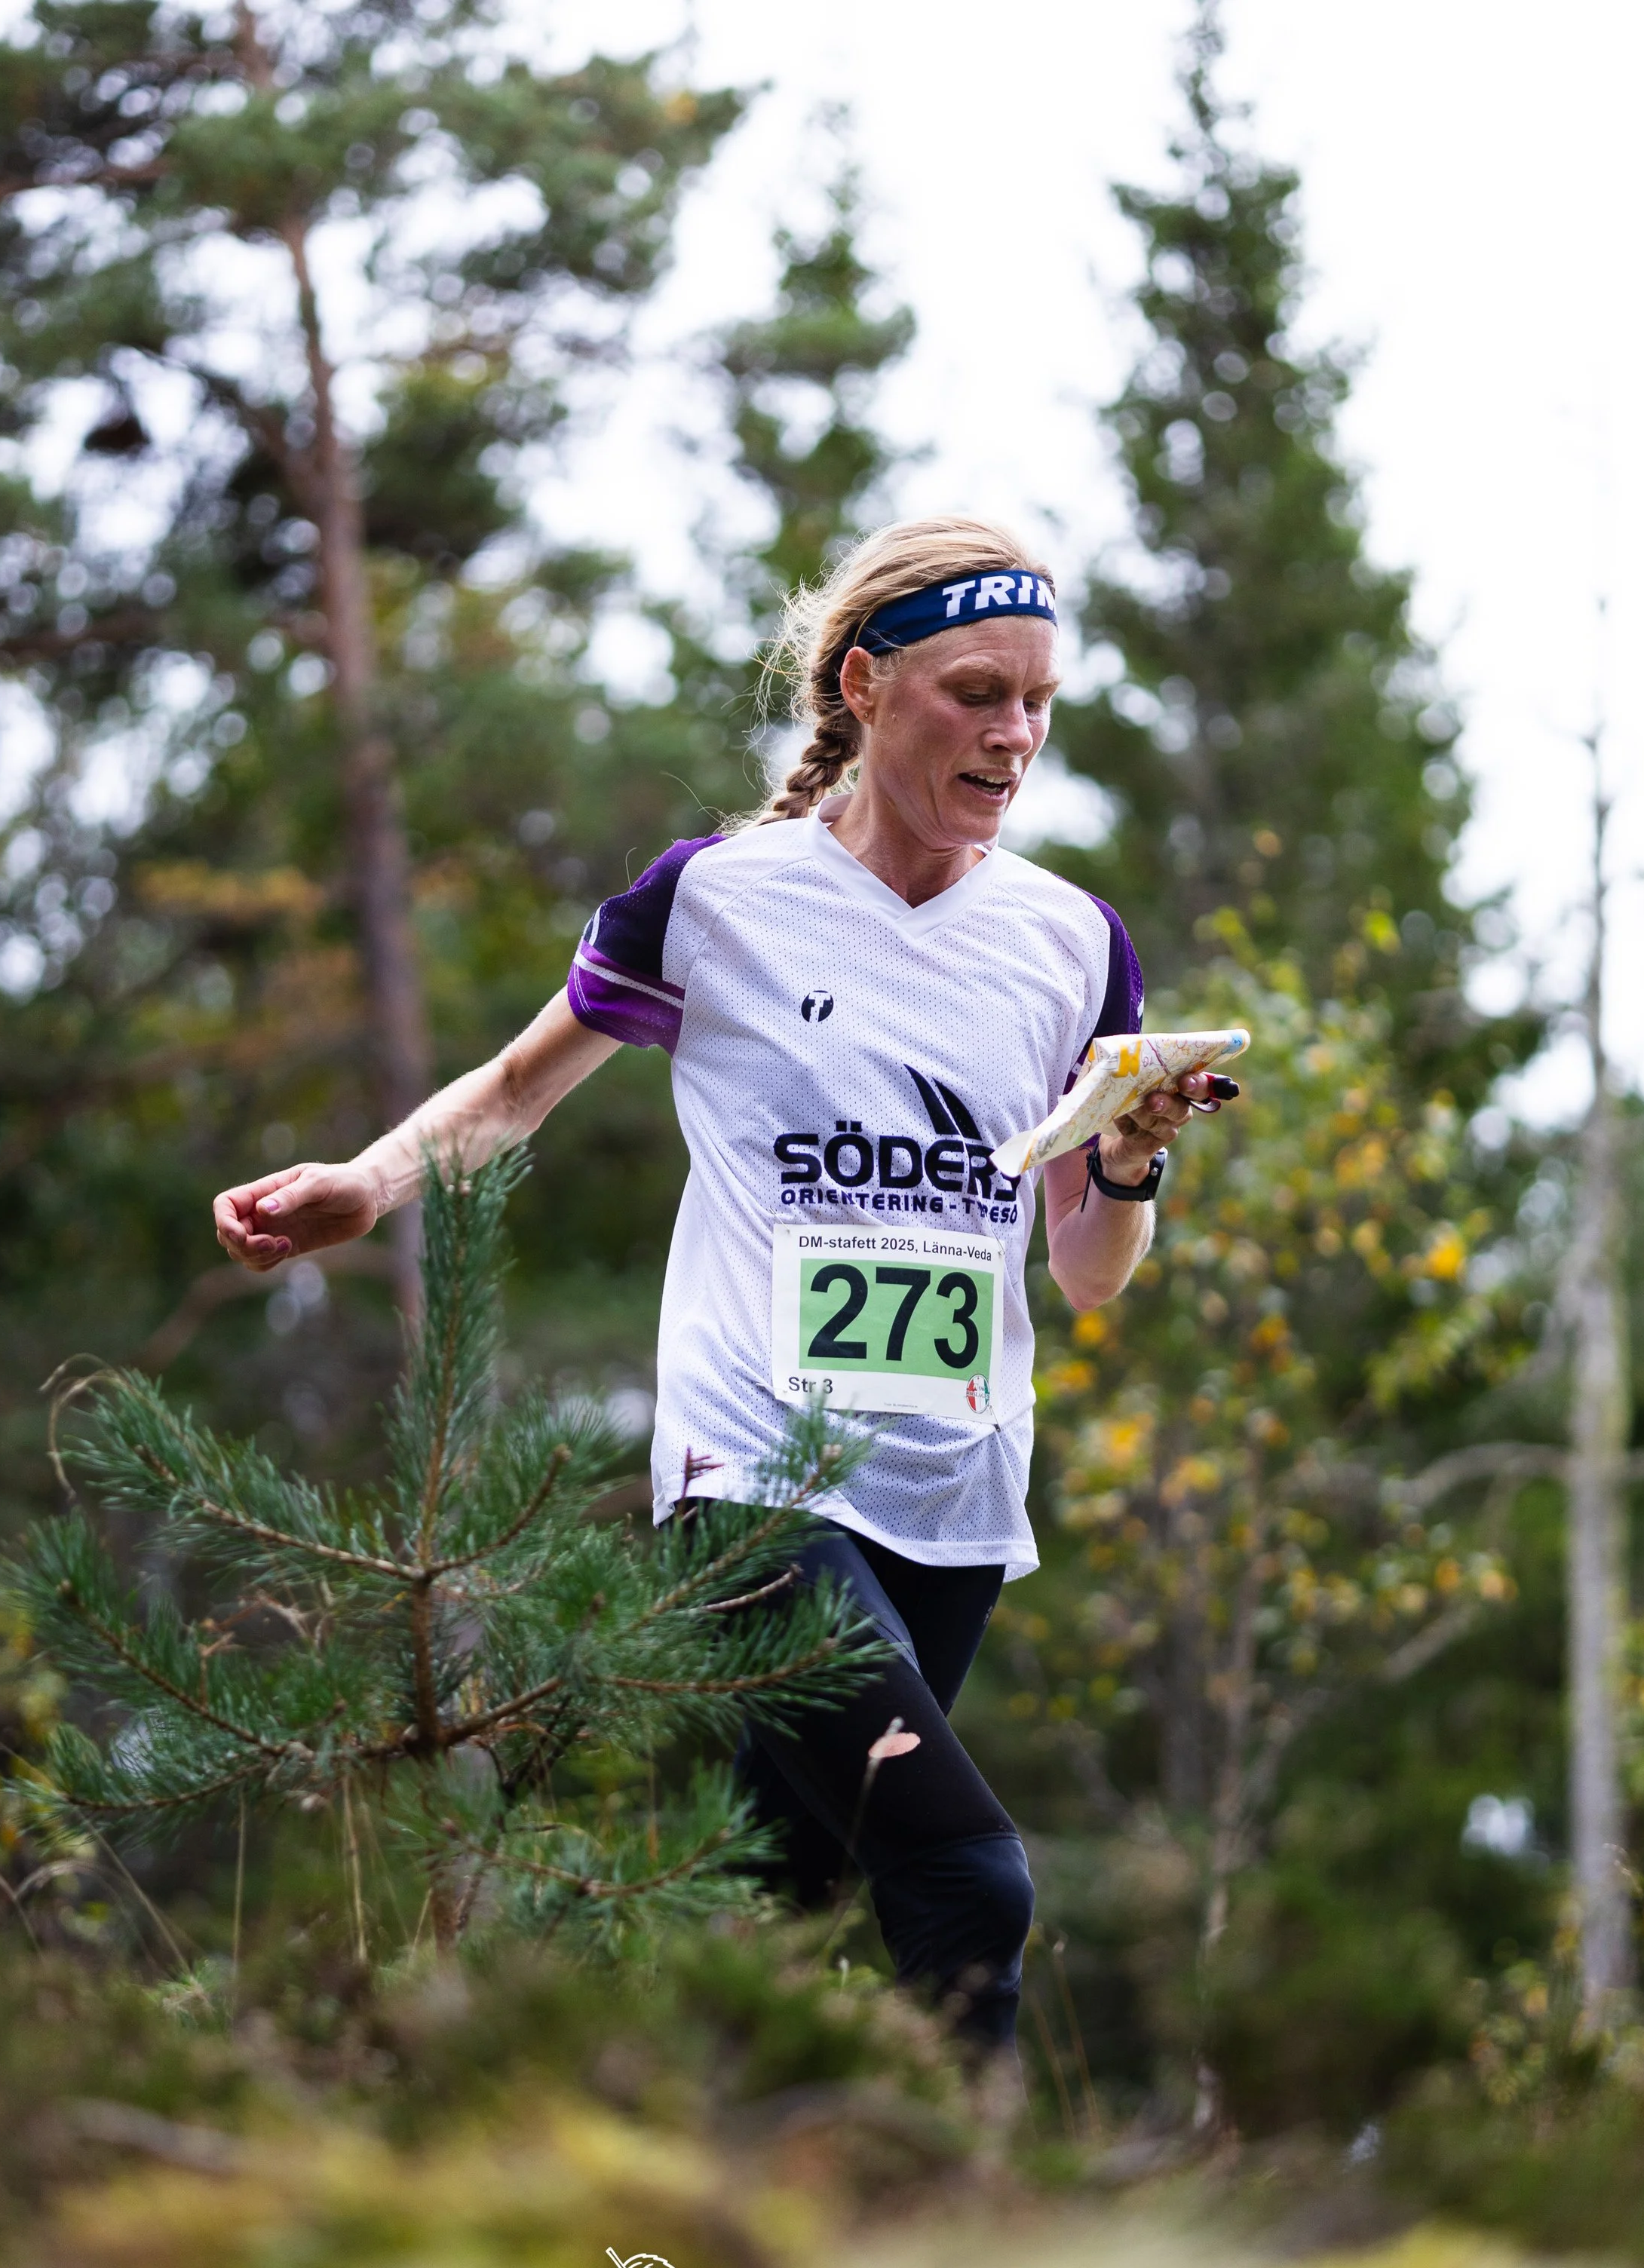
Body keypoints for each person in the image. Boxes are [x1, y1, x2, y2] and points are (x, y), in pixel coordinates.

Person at [213, 516, 1233, 2051]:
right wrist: (367, 1183)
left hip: (951, 1490)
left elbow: (1087, 1272)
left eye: (1036, 701)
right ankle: (977, 2254)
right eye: (974, 692)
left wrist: (1139, 1158)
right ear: (865, 682)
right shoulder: (717, 900)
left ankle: (631, 2191)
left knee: (772, 1902)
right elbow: (507, 1091)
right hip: (754, 1474)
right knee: (966, 1874)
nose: (1011, 734)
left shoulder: (1069, 943)